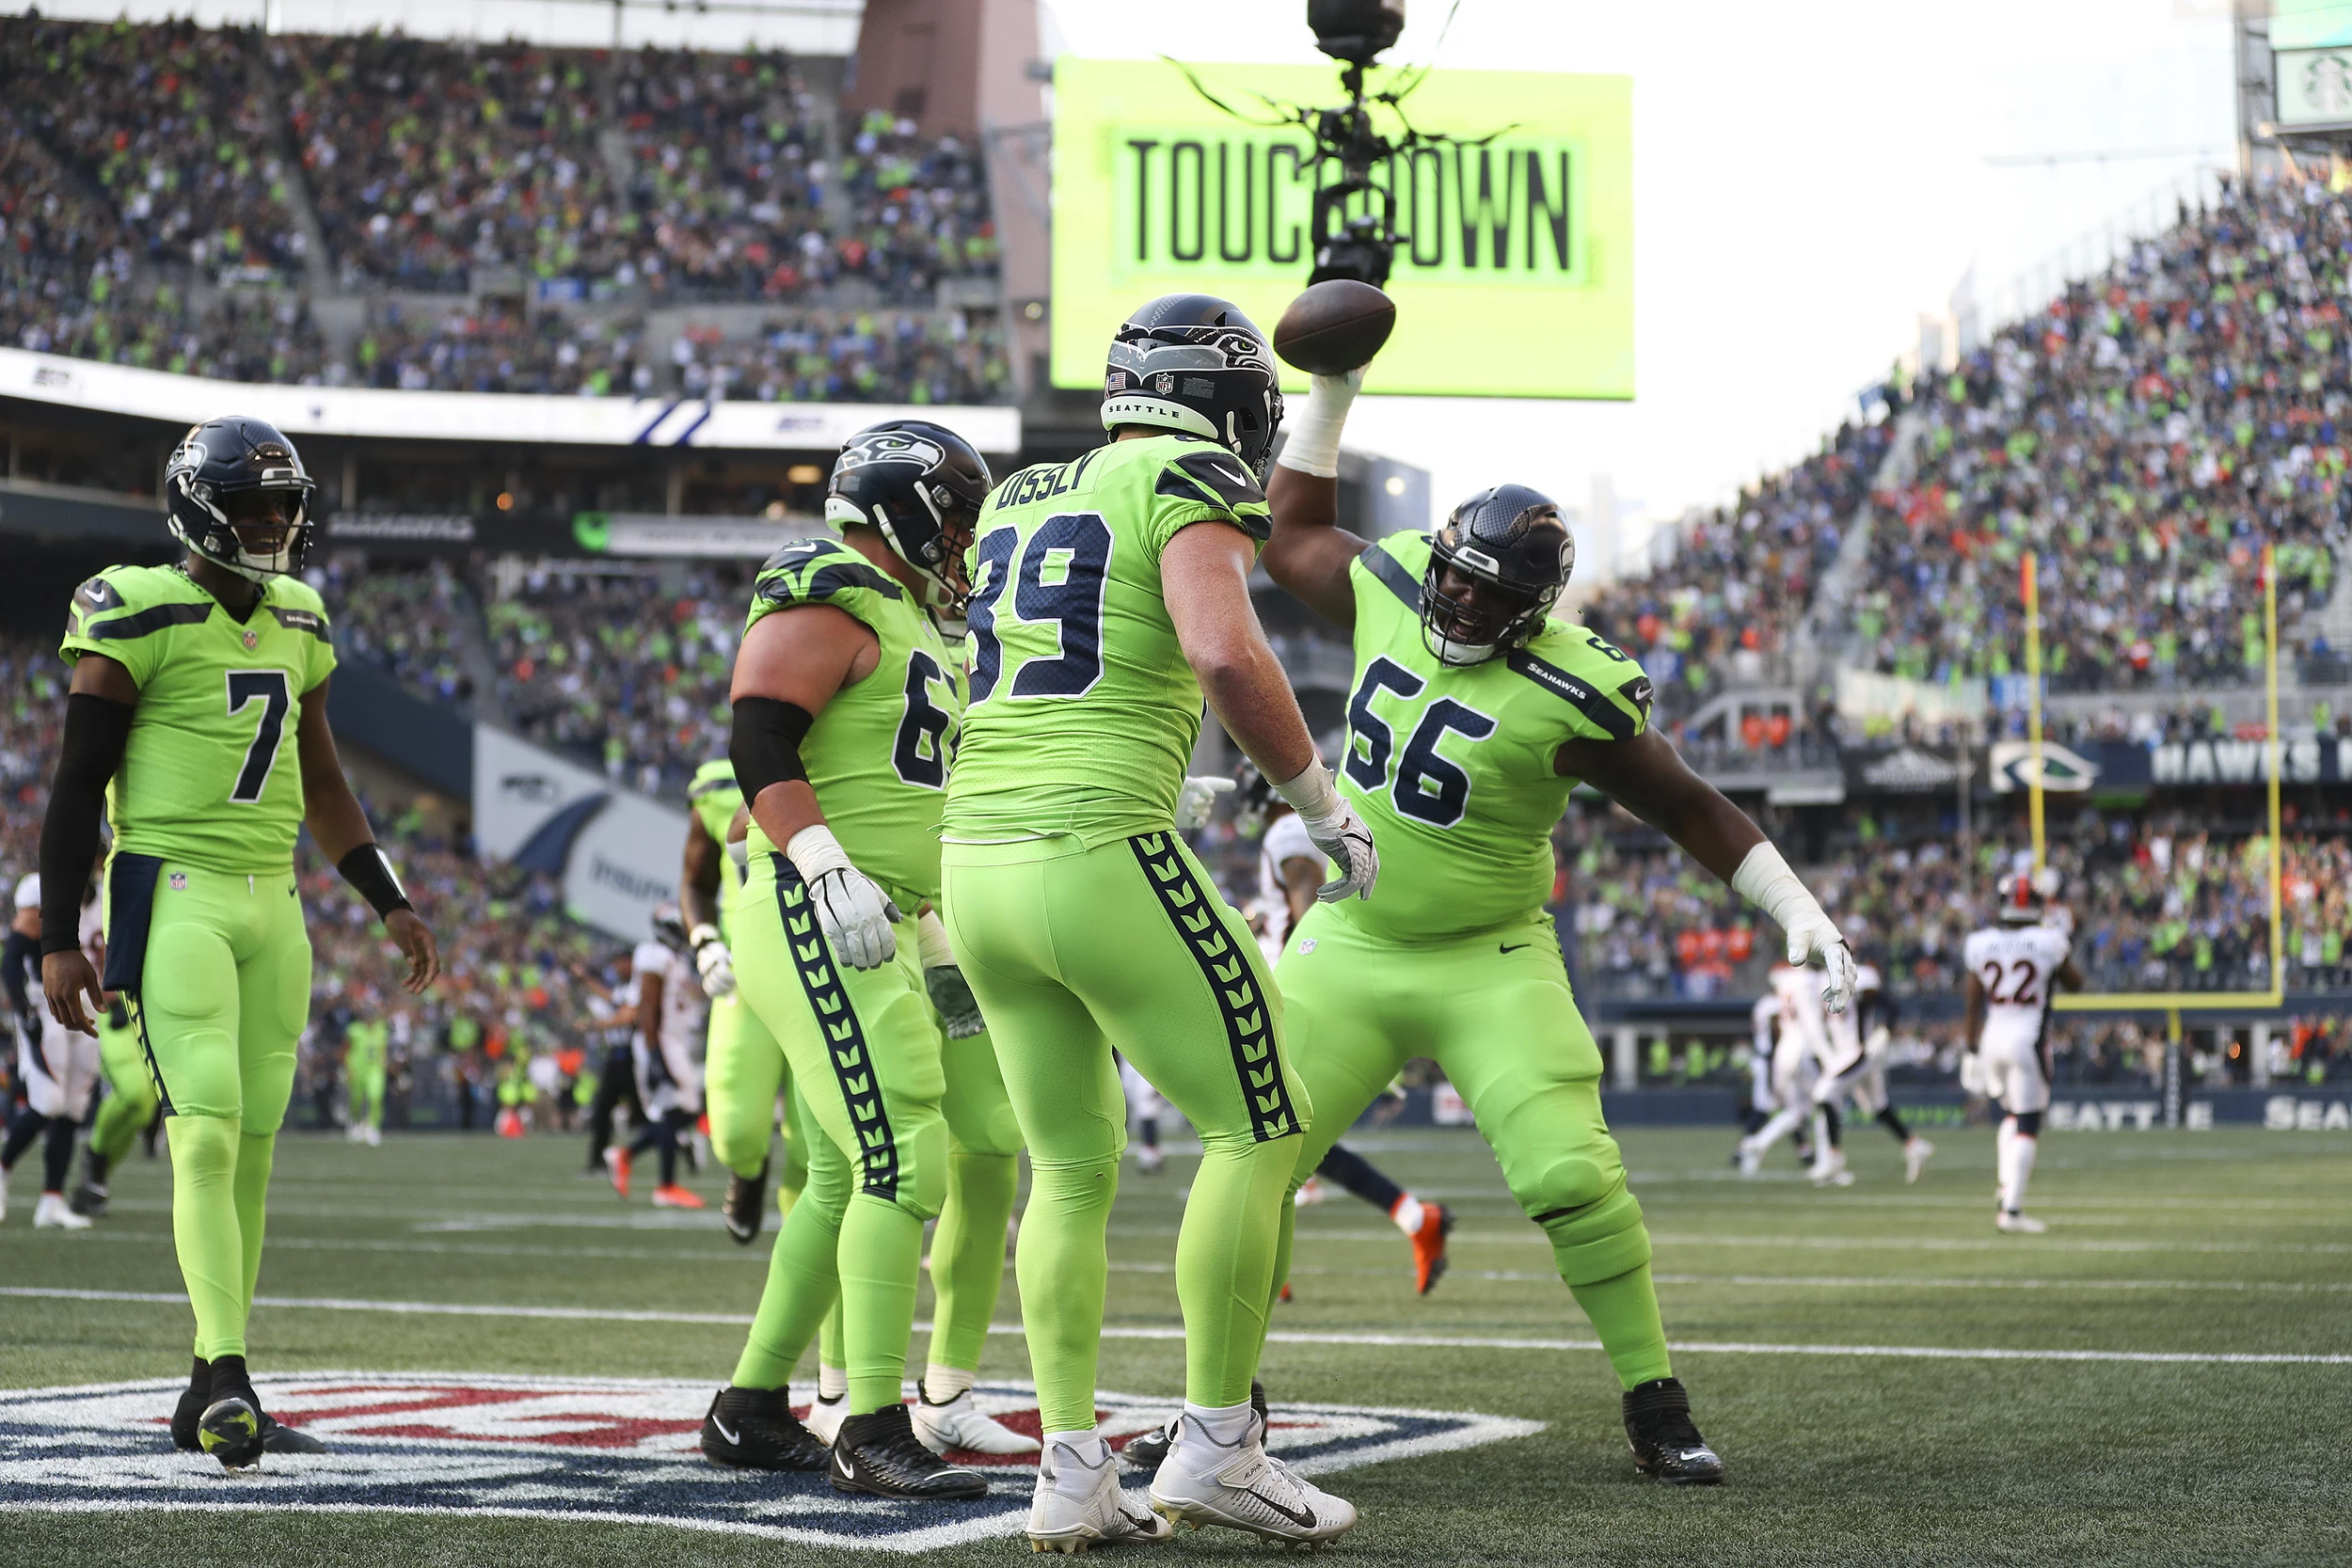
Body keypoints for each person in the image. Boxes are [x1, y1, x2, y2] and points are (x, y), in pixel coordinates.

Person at [1257, 365, 1859, 1486]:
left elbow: (1689, 803)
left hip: (1490, 957)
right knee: (1251, 1154)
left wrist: (1797, 907)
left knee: (1569, 1172)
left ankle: (1653, 1397)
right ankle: (1223, 1409)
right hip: (1349, 939)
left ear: (1535, 606)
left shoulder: (1574, 690)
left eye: (1492, 596)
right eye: (1456, 580)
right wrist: (1332, 387)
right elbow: (1290, 526)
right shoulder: (1389, 586)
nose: (1462, 604)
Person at [939, 295, 1376, 1548]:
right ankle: (1217, 1445)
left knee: (1070, 1165)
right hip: (1094, 849)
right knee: (1264, 1122)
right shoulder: (1186, 470)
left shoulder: (1023, 492)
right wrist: (1317, 799)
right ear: (1223, 401)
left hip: (980, 858)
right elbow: (1224, 653)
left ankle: (1072, 1467)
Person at [38, 415, 439, 1470]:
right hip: (174, 891)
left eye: (281, 504)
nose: (269, 521)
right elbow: (79, 780)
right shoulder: (133, 605)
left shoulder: (301, 616)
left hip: (278, 903)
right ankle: (226, 1374)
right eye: (250, 503)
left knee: (254, 1144)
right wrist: (58, 933)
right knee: (204, 1131)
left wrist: (385, 895)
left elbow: (325, 781)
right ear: (195, 504)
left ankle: (214, 1375)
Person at [700, 419, 1017, 1500]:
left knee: (842, 1172)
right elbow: (759, 732)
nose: (967, 539)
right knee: (901, 1150)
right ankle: (871, 1421)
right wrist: (824, 856)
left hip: (886, 909)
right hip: (812, 897)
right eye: (959, 515)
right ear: (909, 510)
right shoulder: (830, 583)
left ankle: (748, 1407)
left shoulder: (920, 620)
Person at [682, 756, 807, 1244]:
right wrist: (704, 941)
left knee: (819, 1144)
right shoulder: (715, 791)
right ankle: (749, 1171)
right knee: (735, 1131)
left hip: (829, 965)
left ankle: (809, 1228)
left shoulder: (847, 758)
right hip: (746, 971)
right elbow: (695, 881)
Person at [1963, 875, 2080, 1233]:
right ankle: (2012, 1210)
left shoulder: (1980, 942)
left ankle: (2005, 1187)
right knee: (2029, 1122)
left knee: (2011, 1115)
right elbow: (2076, 983)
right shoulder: (2048, 940)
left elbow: (1971, 1001)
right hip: (2026, 1038)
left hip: (1991, 1038)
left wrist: (1970, 1048)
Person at [3, 873, 103, 1228]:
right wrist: (21, 1006)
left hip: (89, 1013)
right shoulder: (43, 885)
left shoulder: (109, 893)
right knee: (49, 1102)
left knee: (73, 1109)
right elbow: (14, 952)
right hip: (46, 1009)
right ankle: (3, 1166)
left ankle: (51, 1201)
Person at [1810, 959, 1933, 1183]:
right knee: (1878, 1106)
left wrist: (1886, 1030)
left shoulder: (1857, 976)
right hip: (1846, 1054)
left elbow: (1890, 1005)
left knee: (1824, 1094)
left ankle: (1833, 1157)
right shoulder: (1820, 981)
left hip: (1857, 1052)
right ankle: (1914, 1145)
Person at [616, 906, 707, 1209]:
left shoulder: (674, 958)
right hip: (661, 1041)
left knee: (686, 1109)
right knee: (673, 1110)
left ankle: (628, 1154)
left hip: (673, 1042)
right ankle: (666, 1185)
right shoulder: (653, 954)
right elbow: (647, 1008)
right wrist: (655, 1055)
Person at [343, 1008, 387, 1146]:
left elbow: (383, 1049)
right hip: (357, 1068)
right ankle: (354, 1122)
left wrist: (385, 1062)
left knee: (375, 1096)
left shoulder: (381, 1029)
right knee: (357, 1098)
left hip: (375, 1069)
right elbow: (345, 1049)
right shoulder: (354, 1030)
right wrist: (347, 1068)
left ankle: (373, 1127)